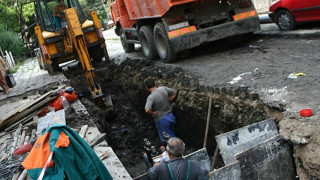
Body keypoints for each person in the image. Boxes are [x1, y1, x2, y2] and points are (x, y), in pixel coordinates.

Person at [144, 78, 179, 143]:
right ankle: (177, 149)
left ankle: (175, 151)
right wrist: (169, 101)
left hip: (162, 120)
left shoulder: (151, 97)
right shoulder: (163, 88)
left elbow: (147, 110)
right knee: (172, 135)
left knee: (168, 141)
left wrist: (152, 113)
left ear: (146, 87)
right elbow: (175, 93)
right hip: (170, 116)